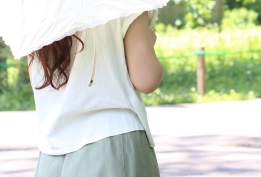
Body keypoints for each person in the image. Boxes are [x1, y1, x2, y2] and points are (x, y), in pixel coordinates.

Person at [30, 10, 163, 177]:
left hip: (52, 151)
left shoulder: (35, 7)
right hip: (113, 142)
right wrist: (149, 43)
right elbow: (147, 79)